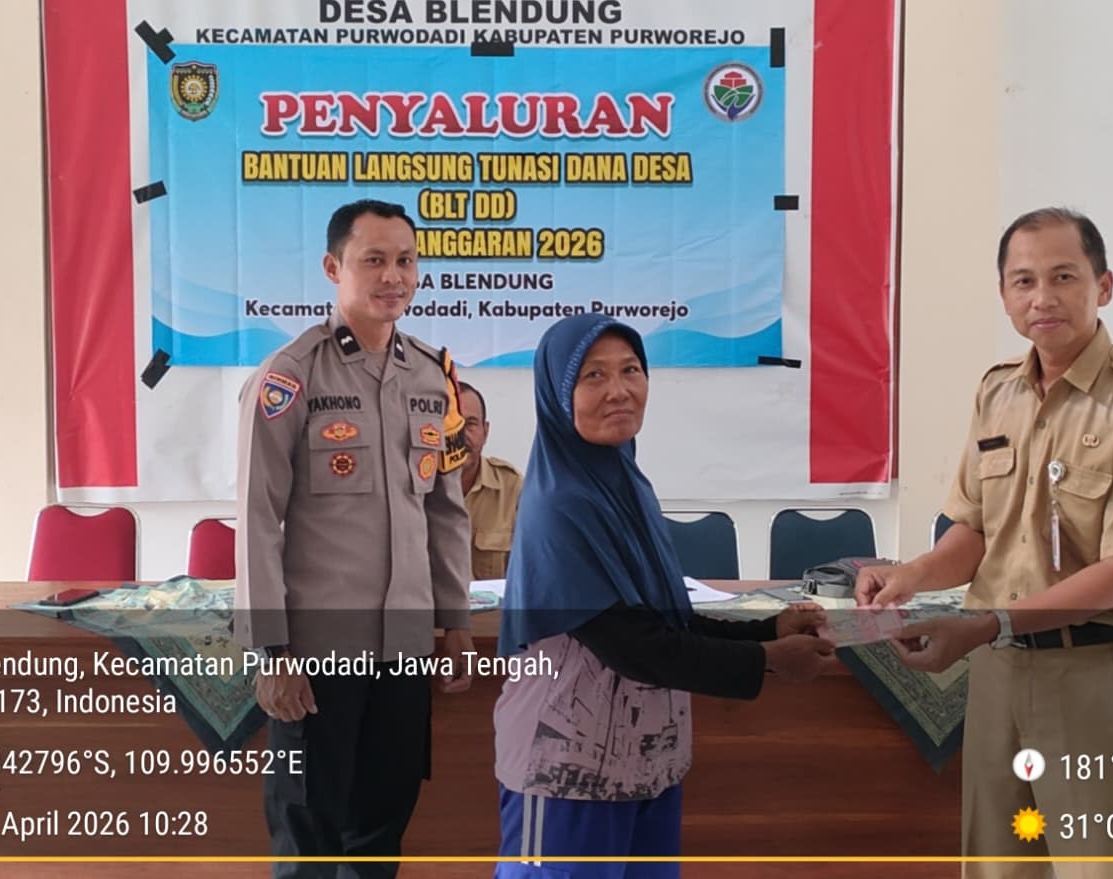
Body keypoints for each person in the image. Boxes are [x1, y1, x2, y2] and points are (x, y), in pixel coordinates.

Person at [856, 208, 1113, 878]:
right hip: (1000, 674)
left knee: (1104, 870)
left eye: (1064, 276)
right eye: (1024, 280)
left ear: (1104, 286)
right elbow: (976, 530)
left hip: (1098, 675)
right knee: (1000, 866)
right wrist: (911, 575)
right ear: (1004, 294)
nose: (1043, 297)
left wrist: (987, 623)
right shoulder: (997, 391)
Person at [494, 313, 835, 876]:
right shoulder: (560, 506)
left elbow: (664, 619)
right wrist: (768, 660)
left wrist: (769, 629)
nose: (618, 390)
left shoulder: (625, 485)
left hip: (644, 764)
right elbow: (633, 646)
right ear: (557, 394)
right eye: (593, 375)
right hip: (566, 774)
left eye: (631, 370)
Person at [234, 198, 475, 878]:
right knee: (308, 840)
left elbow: (446, 510)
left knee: (379, 835)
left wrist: (455, 623)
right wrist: (271, 650)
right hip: (316, 657)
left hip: (404, 653)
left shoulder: (431, 375)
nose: (393, 276)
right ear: (333, 267)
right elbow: (258, 518)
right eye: (374, 260)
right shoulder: (290, 375)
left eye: (405, 261)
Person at [457, 380, 524, 580]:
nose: (460, 435)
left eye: (470, 424)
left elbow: (531, 571)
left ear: (485, 432)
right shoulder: (410, 489)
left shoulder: (512, 488)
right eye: (451, 424)